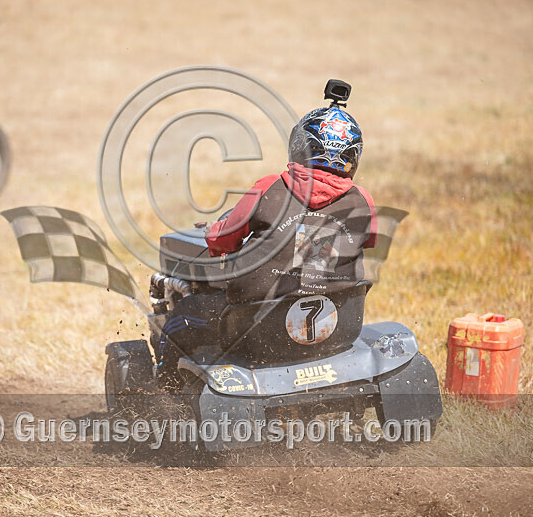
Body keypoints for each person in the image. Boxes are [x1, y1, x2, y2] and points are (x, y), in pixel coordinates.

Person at [156, 103, 377, 389]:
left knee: (183, 313)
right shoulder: (363, 200)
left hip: (255, 335)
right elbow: (363, 240)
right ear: (353, 156)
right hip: (336, 329)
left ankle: (162, 394)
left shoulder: (270, 188)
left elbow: (218, 243)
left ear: (299, 146)